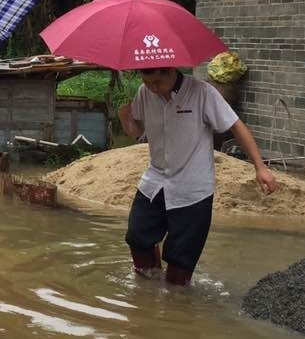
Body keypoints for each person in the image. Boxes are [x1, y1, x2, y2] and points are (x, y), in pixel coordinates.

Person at [118, 67, 278, 286]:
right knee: (137, 236)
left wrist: (259, 167)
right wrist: (127, 119)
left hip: (192, 187)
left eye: (157, 81)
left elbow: (236, 126)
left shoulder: (202, 92)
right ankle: (146, 290)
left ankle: (176, 302)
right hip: (155, 181)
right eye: (147, 82)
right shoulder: (144, 93)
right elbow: (136, 132)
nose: (153, 87)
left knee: (181, 258)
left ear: (171, 72)